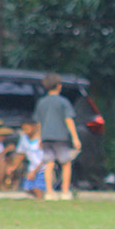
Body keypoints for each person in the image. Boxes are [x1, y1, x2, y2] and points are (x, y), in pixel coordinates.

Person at [33, 73, 81, 201]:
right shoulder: (63, 102)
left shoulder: (41, 102)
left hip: (46, 137)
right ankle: (65, 191)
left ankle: (49, 191)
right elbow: (69, 120)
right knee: (65, 163)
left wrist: (38, 138)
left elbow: (39, 122)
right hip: (60, 137)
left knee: (49, 163)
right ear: (59, 86)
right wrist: (75, 137)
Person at [12, 118, 45, 199]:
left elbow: (44, 159)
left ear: (34, 127)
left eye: (27, 129)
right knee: (27, 189)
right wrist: (13, 167)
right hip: (31, 169)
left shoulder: (42, 140)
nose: (25, 131)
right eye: (24, 129)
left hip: (43, 169)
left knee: (37, 189)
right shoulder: (23, 139)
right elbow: (20, 154)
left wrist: (34, 171)